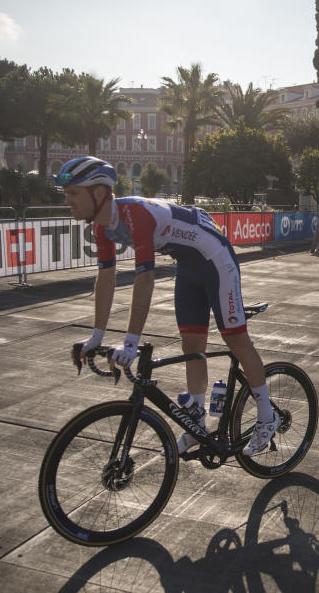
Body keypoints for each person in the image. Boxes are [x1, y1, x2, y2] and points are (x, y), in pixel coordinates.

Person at [58, 156, 278, 456]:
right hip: (188, 267)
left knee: (235, 339)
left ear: (98, 193)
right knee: (191, 345)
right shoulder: (102, 227)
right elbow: (106, 280)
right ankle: (197, 417)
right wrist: (95, 336)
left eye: (73, 193)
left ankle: (267, 417)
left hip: (216, 260)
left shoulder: (134, 214)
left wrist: (131, 343)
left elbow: (144, 280)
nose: (67, 201)